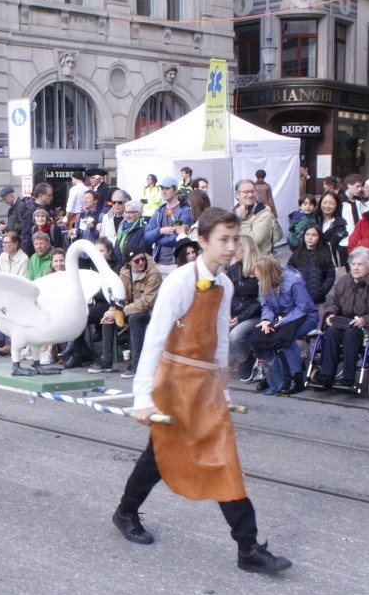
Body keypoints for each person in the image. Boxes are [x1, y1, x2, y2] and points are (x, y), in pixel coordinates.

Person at [112, 207, 292, 575]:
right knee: (159, 457)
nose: (230, 247)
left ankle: (248, 547)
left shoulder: (224, 285)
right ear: (204, 241)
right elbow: (155, 338)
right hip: (174, 381)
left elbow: (219, 342)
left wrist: (223, 388)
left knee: (223, 458)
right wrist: (142, 397)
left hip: (206, 387)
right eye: (222, 240)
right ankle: (126, 512)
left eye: (234, 239)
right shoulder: (180, 281)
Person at [316, 247, 369, 392]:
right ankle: (326, 375)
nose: (356, 268)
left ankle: (347, 377)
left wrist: (366, 319)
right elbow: (333, 303)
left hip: (367, 327)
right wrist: (330, 314)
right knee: (331, 332)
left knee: (351, 334)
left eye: (360, 264)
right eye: (353, 264)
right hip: (345, 321)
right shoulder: (344, 281)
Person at [88, 244, 160, 378]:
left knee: (135, 318)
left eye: (143, 259)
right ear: (128, 262)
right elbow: (119, 296)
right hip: (130, 309)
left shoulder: (153, 273)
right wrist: (113, 310)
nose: (141, 262)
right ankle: (106, 360)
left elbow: (146, 303)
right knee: (108, 316)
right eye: (137, 261)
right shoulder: (124, 272)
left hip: (150, 312)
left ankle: (137, 362)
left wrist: (121, 312)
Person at [251, 256, 318, 395]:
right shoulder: (262, 282)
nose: (255, 274)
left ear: (267, 273)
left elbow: (303, 307)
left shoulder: (293, 282)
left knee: (284, 338)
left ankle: (296, 376)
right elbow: (267, 305)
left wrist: (282, 322)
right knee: (260, 335)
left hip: (305, 317)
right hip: (282, 319)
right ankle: (272, 375)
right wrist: (266, 321)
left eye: (257, 272)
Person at [227, 235, 263, 382]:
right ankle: (241, 358)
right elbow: (228, 294)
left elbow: (261, 300)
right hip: (235, 312)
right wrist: (228, 313)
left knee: (235, 335)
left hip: (254, 314)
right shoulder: (232, 269)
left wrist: (240, 318)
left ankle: (247, 358)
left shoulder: (259, 269)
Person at [289, 225, 336, 305]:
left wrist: (322, 290)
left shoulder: (324, 254)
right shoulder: (297, 253)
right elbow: (289, 271)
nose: (310, 238)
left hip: (317, 300)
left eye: (314, 235)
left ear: (319, 237)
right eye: (307, 234)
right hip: (299, 298)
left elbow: (330, 275)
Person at [233, 179, 278, 255]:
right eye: (246, 192)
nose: (250, 195)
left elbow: (253, 242)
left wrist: (242, 220)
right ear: (237, 195)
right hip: (237, 263)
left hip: (257, 263)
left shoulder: (264, 213)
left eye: (252, 191)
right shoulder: (232, 212)